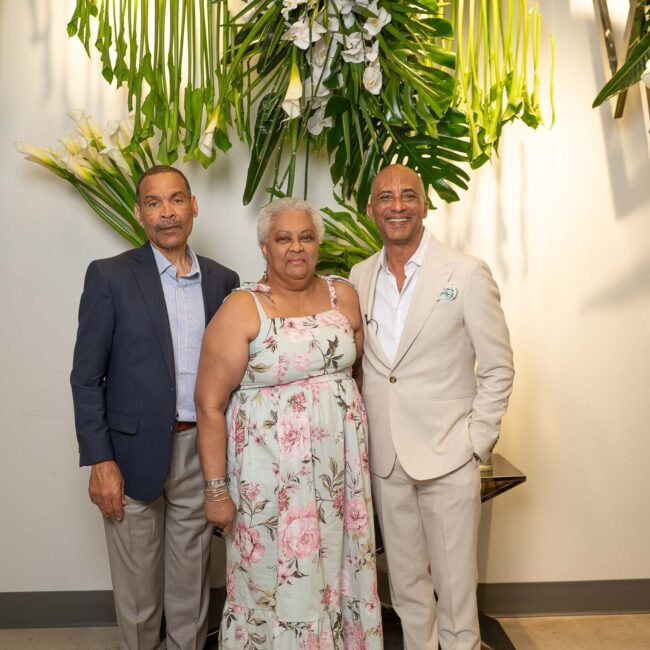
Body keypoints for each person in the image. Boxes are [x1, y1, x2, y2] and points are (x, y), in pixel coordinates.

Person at [195, 197, 383, 648]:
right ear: (265, 247)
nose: (296, 247)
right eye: (283, 238)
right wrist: (216, 491)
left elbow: (354, 375)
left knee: (339, 574)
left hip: (340, 480)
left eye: (306, 237)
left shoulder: (343, 295)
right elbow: (208, 404)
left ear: (318, 244)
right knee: (270, 582)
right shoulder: (242, 308)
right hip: (269, 482)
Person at [70, 165, 239, 650]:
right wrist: (101, 461)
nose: (167, 212)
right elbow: (86, 377)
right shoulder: (110, 276)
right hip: (129, 455)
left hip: (200, 450)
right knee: (139, 598)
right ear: (139, 213)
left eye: (176, 199)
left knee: (191, 591)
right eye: (154, 202)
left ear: (193, 206)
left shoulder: (223, 281)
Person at [349, 164, 515, 650]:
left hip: (449, 455)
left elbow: (498, 366)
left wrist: (475, 442)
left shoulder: (466, 273)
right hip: (387, 459)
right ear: (371, 209)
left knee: (457, 594)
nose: (397, 205)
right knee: (406, 591)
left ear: (424, 205)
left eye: (408, 195)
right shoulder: (360, 276)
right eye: (385, 197)